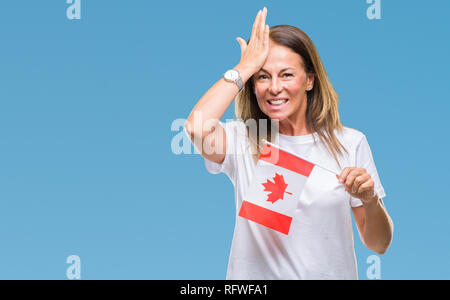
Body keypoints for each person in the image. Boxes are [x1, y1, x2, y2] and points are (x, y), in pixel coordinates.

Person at [184, 7, 393, 280]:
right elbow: (196, 127)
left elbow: (379, 244)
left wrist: (370, 199)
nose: (273, 87)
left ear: (309, 80)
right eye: (262, 76)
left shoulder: (349, 143)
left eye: (286, 75)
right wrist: (244, 67)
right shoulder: (244, 139)